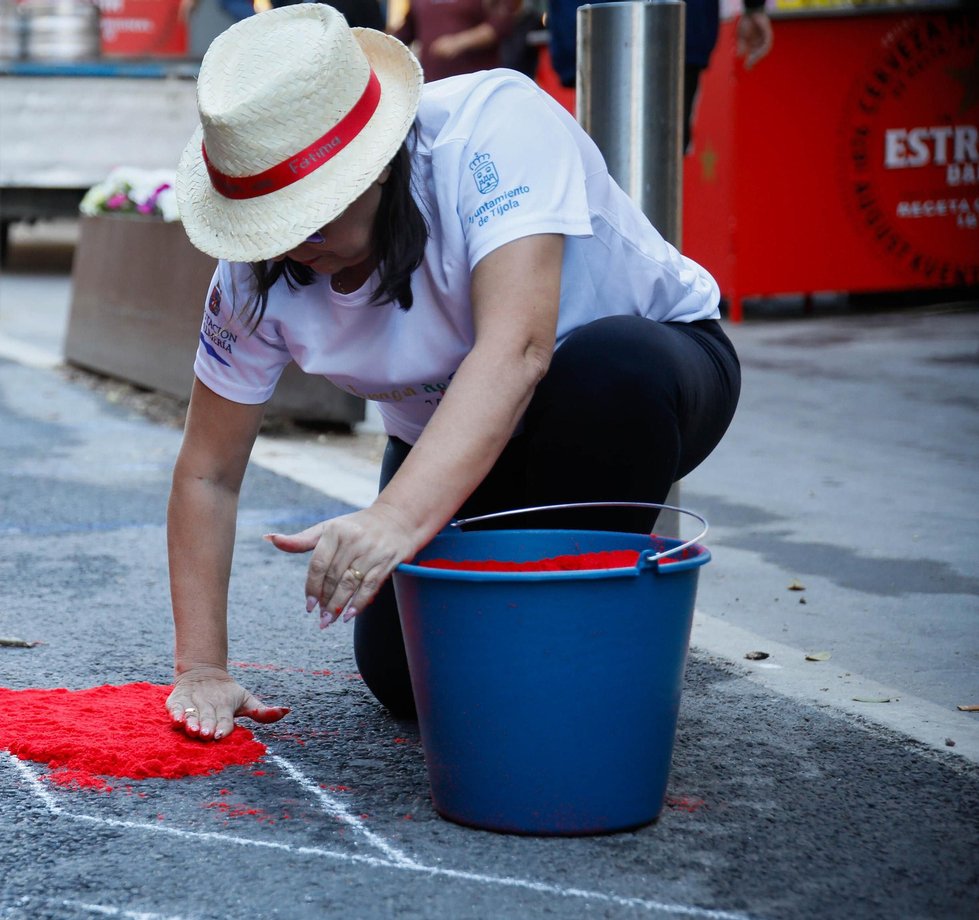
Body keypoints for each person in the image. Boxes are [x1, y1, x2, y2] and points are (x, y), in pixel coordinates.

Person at [164, 5, 739, 738]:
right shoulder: (256, 273)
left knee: (605, 375)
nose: (292, 245)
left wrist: (393, 520)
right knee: (407, 678)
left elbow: (518, 351)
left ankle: (579, 650)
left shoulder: (493, 128)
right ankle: (539, 636)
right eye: (270, 227)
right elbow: (207, 472)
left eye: (309, 215)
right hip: (453, 435)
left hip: (637, 385)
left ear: (376, 162)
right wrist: (201, 667)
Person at [546, 0, 773, 152]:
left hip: (591, 22)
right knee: (659, 157)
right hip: (674, 24)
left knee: (600, 157)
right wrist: (754, 7)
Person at [395, 0, 517, 82]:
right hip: (433, 85)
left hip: (475, 85)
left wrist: (460, 42)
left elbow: (500, 26)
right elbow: (405, 33)